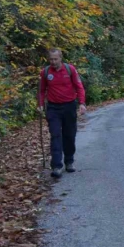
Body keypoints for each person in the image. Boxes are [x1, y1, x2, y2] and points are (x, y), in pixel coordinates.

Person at [38, 48, 87, 178]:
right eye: (51, 59)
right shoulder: (45, 72)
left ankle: (69, 161)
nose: (53, 62)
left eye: (55, 59)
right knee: (55, 135)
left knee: (69, 135)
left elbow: (79, 87)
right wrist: (40, 104)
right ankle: (56, 166)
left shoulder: (70, 69)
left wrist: (82, 103)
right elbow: (41, 90)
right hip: (53, 108)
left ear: (60, 58)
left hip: (69, 106)